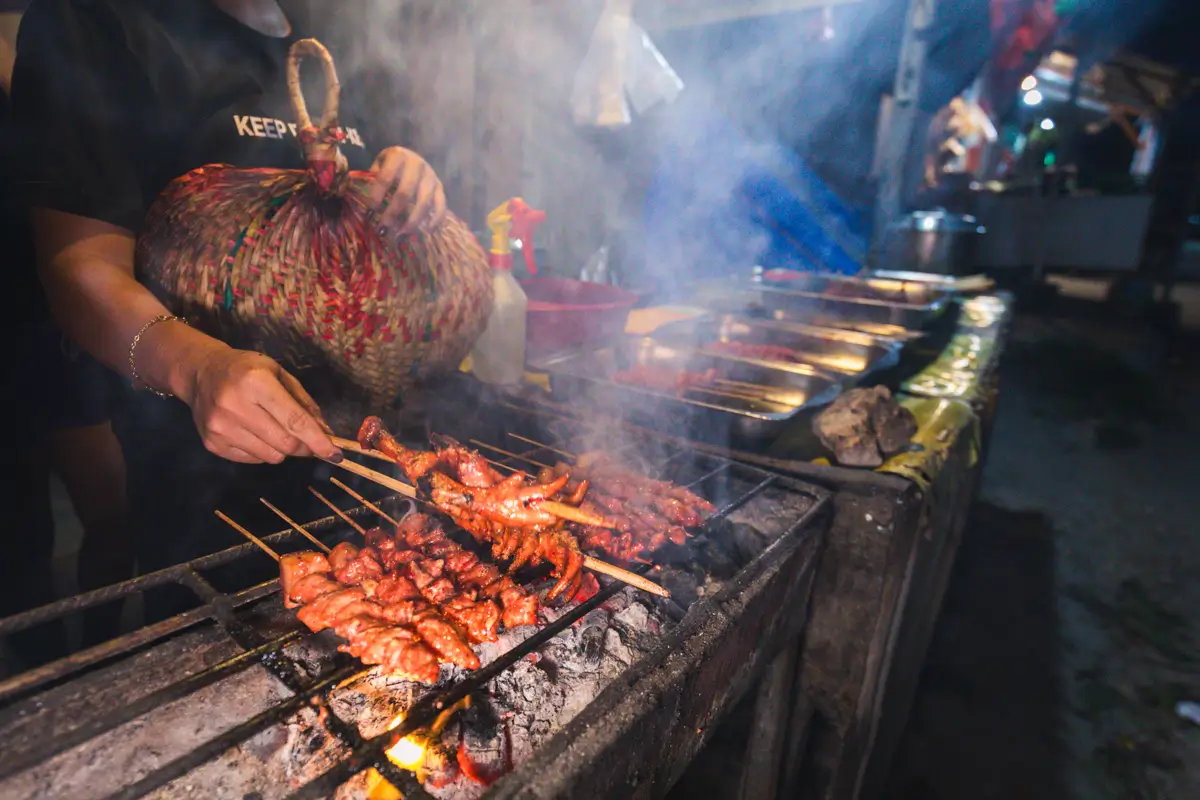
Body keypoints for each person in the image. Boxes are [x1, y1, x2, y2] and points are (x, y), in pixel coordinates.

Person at [11, 0, 449, 617]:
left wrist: (404, 179)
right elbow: (78, 265)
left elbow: (350, 202)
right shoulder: (99, 22)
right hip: (206, 469)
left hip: (369, 457)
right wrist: (199, 368)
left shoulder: (340, 31)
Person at [2, 24, 130, 665]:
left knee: (110, 508)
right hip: (25, 311)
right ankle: (51, 678)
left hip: (44, 311)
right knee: (20, 531)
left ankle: (102, 653)